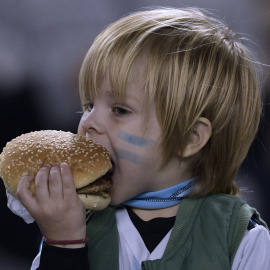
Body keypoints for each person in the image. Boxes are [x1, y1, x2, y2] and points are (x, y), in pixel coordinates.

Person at [9, 7, 270, 270]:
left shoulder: (240, 238)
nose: (88, 123)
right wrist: (63, 245)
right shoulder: (71, 224)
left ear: (189, 138)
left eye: (120, 110)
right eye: (88, 105)